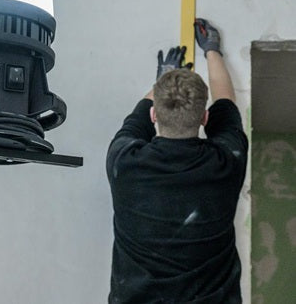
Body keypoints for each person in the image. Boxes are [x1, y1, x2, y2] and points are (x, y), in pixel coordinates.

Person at [106, 18, 249, 303]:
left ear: (154, 115)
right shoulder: (226, 161)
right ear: (204, 118)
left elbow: (137, 118)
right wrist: (212, 49)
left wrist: (164, 78)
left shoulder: (125, 163)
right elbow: (226, 104)